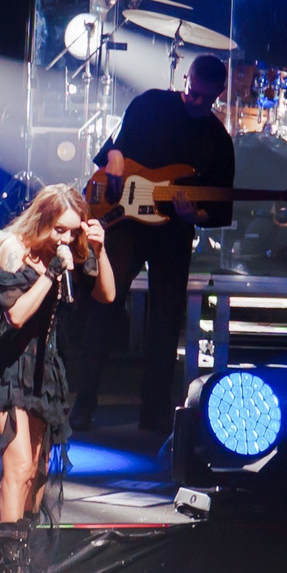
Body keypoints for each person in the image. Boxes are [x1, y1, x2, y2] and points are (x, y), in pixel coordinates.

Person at [0, 183, 112, 573]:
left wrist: (100, 250)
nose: (66, 239)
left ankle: (12, 566)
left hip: (43, 370)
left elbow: (107, 295)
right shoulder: (13, 248)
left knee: (38, 471)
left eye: (73, 231)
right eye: (59, 230)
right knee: (17, 466)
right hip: (5, 365)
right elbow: (15, 316)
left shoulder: (68, 253)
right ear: (43, 220)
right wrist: (51, 273)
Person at [77, 53, 233, 436]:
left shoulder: (218, 140)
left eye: (206, 98)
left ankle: (156, 412)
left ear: (220, 93)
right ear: (186, 79)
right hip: (124, 222)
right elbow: (115, 145)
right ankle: (83, 402)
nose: (197, 102)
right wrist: (115, 160)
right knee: (104, 305)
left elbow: (219, 207)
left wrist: (195, 215)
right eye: (193, 92)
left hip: (173, 231)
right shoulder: (150, 103)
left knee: (166, 320)